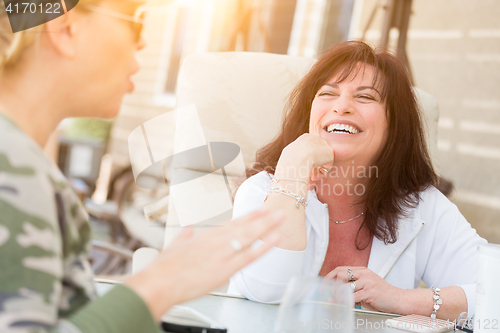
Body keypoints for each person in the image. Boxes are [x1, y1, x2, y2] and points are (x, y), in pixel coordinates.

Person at [0, 1, 285, 332]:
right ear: (65, 29)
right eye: (137, 20)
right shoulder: (16, 168)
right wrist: (159, 284)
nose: (143, 43)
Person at [228, 41, 486, 321]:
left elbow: (493, 293)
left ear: (394, 124)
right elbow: (263, 289)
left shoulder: (422, 206)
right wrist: (293, 168)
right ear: (309, 114)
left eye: (365, 97)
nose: (342, 106)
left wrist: (401, 299)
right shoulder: (261, 191)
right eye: (328, 93)